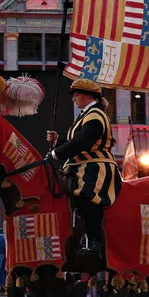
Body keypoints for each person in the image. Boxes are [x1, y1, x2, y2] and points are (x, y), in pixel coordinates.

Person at [46, 78, 121, 258]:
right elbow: (76, 141)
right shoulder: (86, 115)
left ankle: (97, 243)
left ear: (89, 95)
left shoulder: (95, 116)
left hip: (95, 167)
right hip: (80, 166)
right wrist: (59, 141)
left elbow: (83, 142)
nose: (74, 98)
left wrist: (55, 154)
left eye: (76, 94)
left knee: (85, 194)